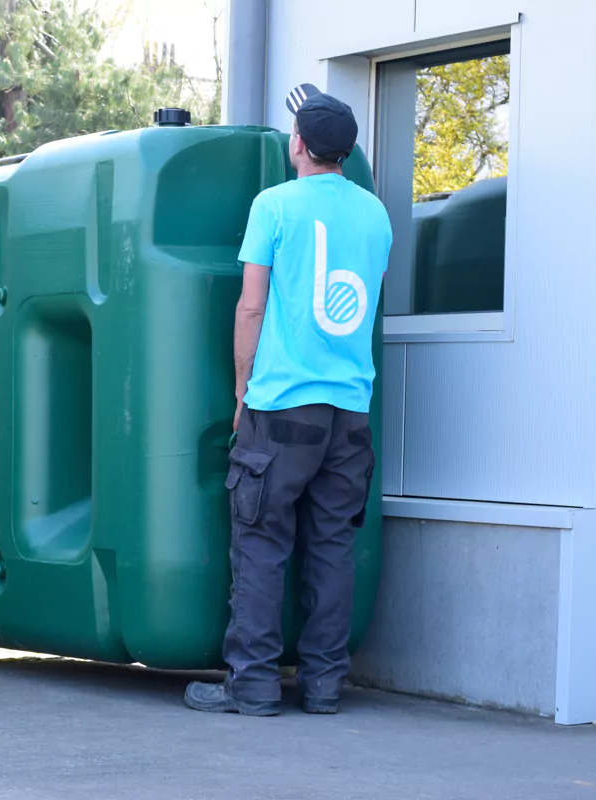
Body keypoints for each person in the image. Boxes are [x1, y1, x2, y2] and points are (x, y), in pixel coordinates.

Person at [184, 84, 392, 716]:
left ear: (297, 145)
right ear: (348, 152)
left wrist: (243, 390)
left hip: (282, 409)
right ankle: (325, 685)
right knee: (332, 546)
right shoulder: (376, 215)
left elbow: (252, 305)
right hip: (349, 412)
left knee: (261, 541)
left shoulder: (274, 205)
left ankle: (251, 685)